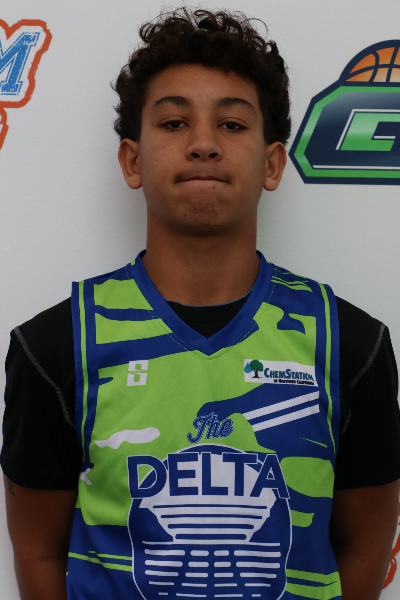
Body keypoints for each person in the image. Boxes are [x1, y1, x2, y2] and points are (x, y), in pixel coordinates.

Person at [2, 8, 400, 600]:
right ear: (132, 160)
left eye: (233, 124)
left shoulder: (352, 345)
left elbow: (366, 549)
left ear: (272, 163)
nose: (205, 144)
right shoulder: (56, 347)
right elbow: (38, 554)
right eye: (174, 122)